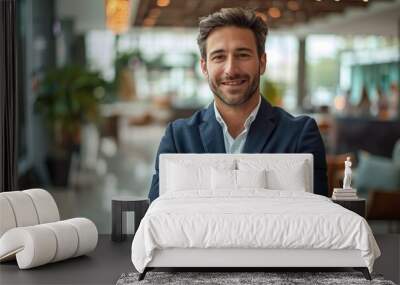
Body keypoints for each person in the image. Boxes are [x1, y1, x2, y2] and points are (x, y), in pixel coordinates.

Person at [148, 8, 328, 202]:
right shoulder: (178, 138)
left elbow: (319, 222)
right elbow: (157, 217)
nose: (231, 69)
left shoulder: (299, 135)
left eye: (242, 55)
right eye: (219, 57)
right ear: (204, 67)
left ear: (262, 62)